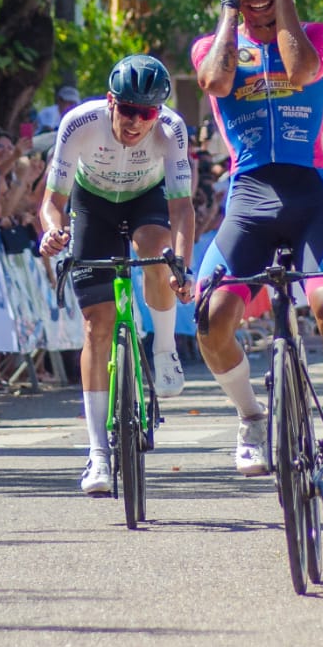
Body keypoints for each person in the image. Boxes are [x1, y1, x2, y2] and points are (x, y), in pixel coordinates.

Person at [191, 0, 323, 511]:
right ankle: (249, 414)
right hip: (250, 197)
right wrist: (228, 12)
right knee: (212, 320)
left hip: (308, 193)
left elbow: (298, 72)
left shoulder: (321, 35)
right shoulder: (213, 46)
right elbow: (213, 80)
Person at [37, 56, 196, 496]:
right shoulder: (79, 123)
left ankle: (163, 349)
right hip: (93, 205)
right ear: (111, 102)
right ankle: (98, 455)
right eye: (128, 111)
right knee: (97, 324)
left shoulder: (172, 129)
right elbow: (52, 201)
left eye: (147, 114)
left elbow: (182, 208)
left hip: (146, 199)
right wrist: (53, 231)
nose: (136, 122)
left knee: (154, 248)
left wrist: (180, 265)